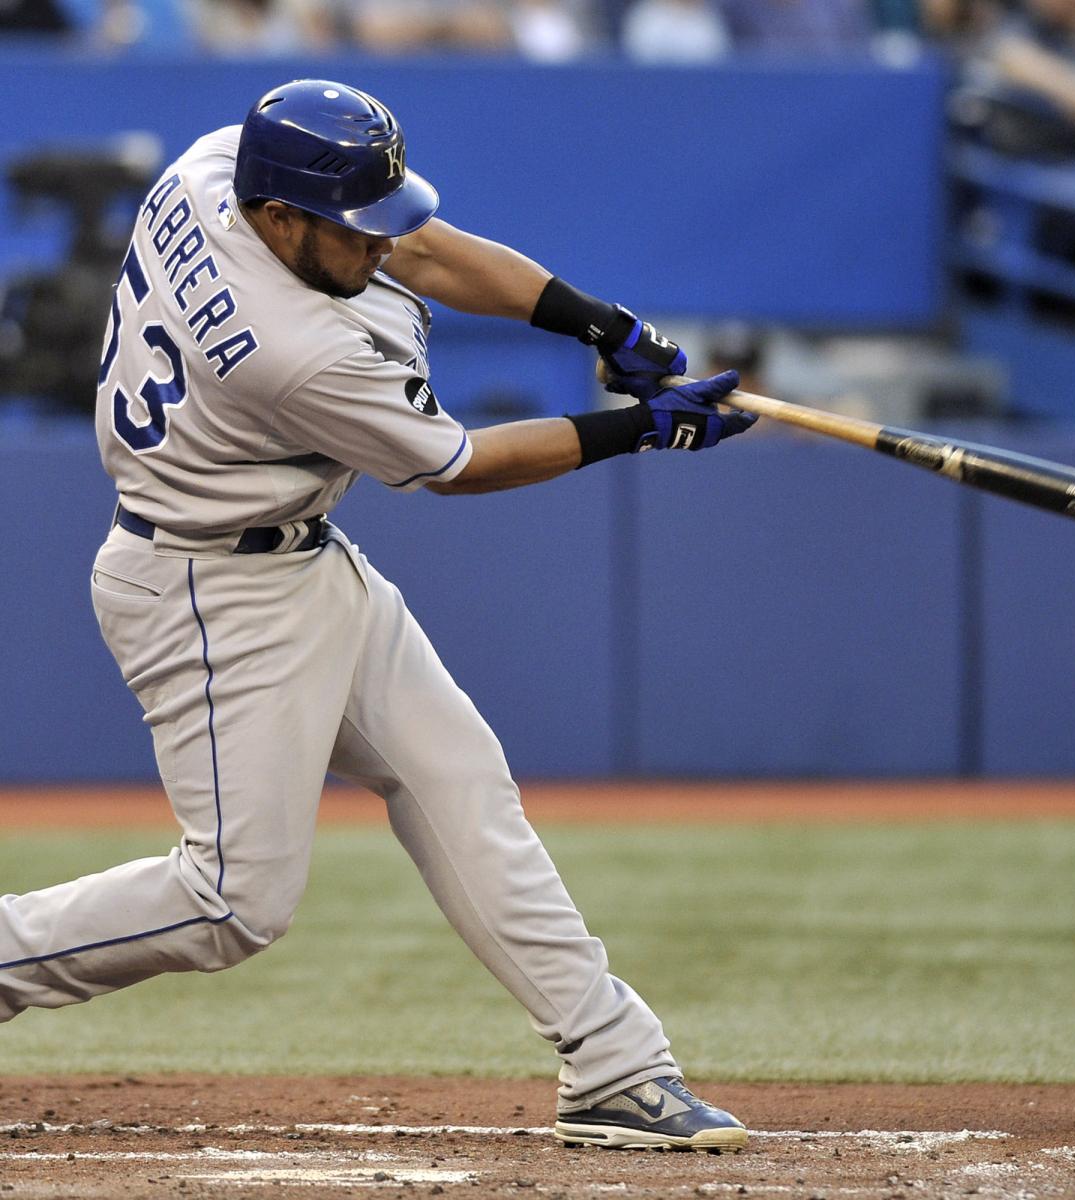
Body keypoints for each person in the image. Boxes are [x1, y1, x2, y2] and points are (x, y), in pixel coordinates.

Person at [0, 79, 754, 1153]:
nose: (377, 245)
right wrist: (639, 431)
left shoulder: (221, 164)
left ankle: (613, 1064)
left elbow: (425, 248)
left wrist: (601, 321)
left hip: (299, 556)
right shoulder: (292, 350)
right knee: (232, 904)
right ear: (281, 221)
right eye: (352, 231)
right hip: (212, 592)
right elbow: (459, 466)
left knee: (458, 775)